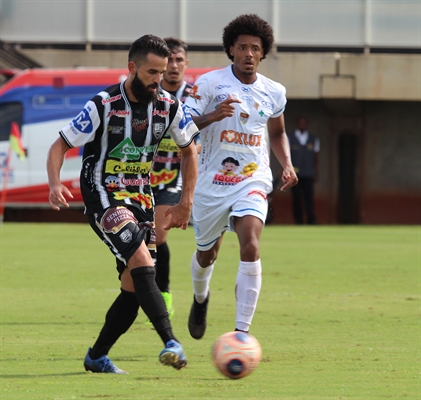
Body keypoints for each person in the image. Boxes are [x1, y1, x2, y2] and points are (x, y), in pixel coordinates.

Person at [46, 34, 199, 373]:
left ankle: (96, 356)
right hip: (104, 196)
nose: (159, 80)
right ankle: (171, 341)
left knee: (133, 287)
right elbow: (59, 145)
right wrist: (55, 183)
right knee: (143, 261)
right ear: (132, 67)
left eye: (162, 73)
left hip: (142, 199)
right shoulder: (104, 103)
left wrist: (186, 201)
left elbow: (190, 149)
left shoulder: (169, 106)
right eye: (151, 72)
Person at [183, 14, 298, 339]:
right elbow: (182, 129)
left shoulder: (274, 92)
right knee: (208, 254)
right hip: (211, 184)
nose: (249, 53)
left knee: (250, 245)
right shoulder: (208, 84)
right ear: (231, 49)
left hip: (252, 180)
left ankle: (241, 334)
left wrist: (286, 163)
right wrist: (213, 116)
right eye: (243, 47)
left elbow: (277, 134)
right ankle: (200, 297)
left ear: (263, 53)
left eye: (255, 48)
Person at [149, 37, 200, 322]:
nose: (174, 66)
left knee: (158, 233)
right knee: (144, 240)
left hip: (173, 177)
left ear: (185, 64)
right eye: (170, 61)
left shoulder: (194, 96)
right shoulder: (148, 92)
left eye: (180, 60)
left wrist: (193, 146)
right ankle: (146, 290)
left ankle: (163, 292)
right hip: (141, 176)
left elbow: (199, 139)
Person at [288, 116, 320, 225]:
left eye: (304, 123)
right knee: (296, 198)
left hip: (308, 173)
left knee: (309, 197)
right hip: (294, 174)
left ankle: (311, 219)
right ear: (297, 124)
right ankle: (298, 220)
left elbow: (316, 156)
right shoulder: (290, 138)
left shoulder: (313, 139)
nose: (302, 125)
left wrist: (315, 171)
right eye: (300, 123)